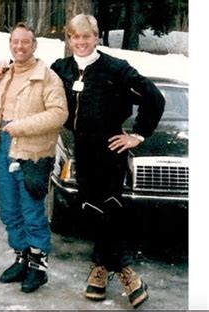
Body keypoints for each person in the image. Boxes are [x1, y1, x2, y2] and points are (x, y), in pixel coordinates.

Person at [50, 14, 165, 308]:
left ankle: (119, 270)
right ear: (69, 38)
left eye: (87, 36)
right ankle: (106, 266)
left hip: (111, 149)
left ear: (97, 37)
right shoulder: (61, 69)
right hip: (83, 150)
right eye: (75, 37)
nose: (81, 42)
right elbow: (35, 83)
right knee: (92, 209)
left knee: (110, 209)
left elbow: (154, 97)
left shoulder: (115, 69)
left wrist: (138, 134)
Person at [0, 22, 68, 293]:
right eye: (15, 42)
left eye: (26, 42)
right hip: (4, 146)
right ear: (10, 44)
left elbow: (59, 113)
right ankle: (21, 257)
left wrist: (22, 126)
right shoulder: (8, 72)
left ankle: (38, 267)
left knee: (32, 210)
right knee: (10, 210)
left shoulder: (47, 76)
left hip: (33, 151)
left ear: (34, 45)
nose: (20, 46)